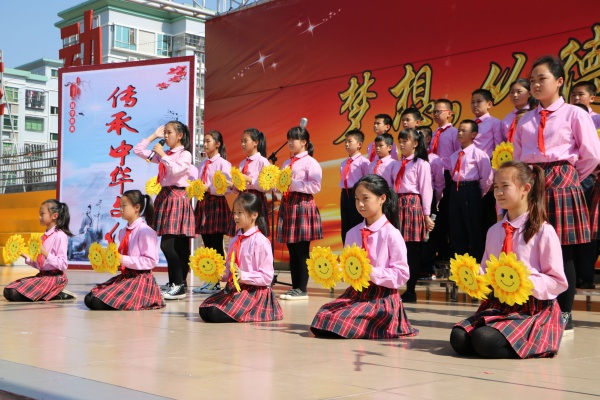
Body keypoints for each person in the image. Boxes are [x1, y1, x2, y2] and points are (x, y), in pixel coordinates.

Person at [514, 55, 600, 333]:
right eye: (533, 80)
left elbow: (591, 155)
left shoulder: (575, 114)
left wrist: (569, 179)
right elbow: (518, 157)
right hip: (531, 183)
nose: (536, 85)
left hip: (563, 181)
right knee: (532, 248)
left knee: (563, 252)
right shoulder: (526, 120)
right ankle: (537, 309)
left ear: (559, 81)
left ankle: (565, 313)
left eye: (542, 78)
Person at [450, 161, 568, 358]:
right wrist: (476, 277)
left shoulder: (543, 231)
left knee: (483, 339)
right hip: (499, 305)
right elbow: (487, 269)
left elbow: (557, 281)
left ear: (525, 189)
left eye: (505, 186)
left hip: (532, 309)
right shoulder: (494, 231)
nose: (498, 192)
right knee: (459, 338)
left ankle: (534, 340)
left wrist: (523, 282)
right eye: (496, 186)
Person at [310, 174, 418, 338]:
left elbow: (402, 274)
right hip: (356, 294)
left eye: (365, 198)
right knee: (323, 315)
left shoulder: (391, 233)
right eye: (357, 199)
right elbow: (350, 273)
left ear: (382, 198)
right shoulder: (352, 233)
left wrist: (369, 271)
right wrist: (337, 271)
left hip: (382, 298)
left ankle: (370, 325)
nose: (360, 204)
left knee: (338, 321)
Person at [133, 121, 195, 300]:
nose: (166, 136)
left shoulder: (184, 154)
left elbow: (176, 170)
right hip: (165, 196)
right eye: (165, 133)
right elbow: (138, 150)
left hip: (177, 197)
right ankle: (176, 283)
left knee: (170, 245)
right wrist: (154, 135)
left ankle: (179, 284)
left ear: (180, 135)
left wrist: (162, 155)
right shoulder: (165, 153)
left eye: (169, 133)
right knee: (175, 245)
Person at [199, 192, 283, 322]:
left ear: (254, 215)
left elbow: (267, 277)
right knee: (204, 309)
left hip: (254, 292)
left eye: (240, 213)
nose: (236, 217)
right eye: (234, 213)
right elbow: (229, 270)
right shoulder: (235, 240)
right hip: (235, 289)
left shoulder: (260, 241)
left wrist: (243, 275)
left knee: (215, 313)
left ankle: (250, 312)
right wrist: (218, 273)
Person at [84, 190, 165, 310]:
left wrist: (122, 259)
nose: (120, 209)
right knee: (88, 299)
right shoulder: (123, 232)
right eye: (120, 206)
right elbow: (121, 258)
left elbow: (151, 261)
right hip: (126, 276)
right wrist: (108, 260)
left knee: (97, 302)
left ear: (137, 207)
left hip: (140, 279)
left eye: (124, 206)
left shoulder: (146, 231)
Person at [277, 126, 323, 300]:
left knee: (302, 250)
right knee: (292, 249)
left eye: (294, 139)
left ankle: (302, 289)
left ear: (304, 142)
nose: (290, 142)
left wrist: (293, 183)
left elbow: (316, 186)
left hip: (302, 205)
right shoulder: (286, 163)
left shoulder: (310, 162)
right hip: (288, 205)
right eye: (288, 139)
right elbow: (282, 184)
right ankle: (295, 287)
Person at [390, 128, 434, 302]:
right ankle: (393, 287)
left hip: (412, 205)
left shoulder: (421, 164)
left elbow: (426, 190)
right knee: (395, 247)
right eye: (400, 141)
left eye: (405, 141)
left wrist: (427, 214)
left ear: (415, 143)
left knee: (412, 250)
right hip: (397, 204)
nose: (401, 144)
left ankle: (411, 290)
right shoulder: (396, 164)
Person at [4, 199, 76, 302]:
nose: (39, 217)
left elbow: (63, 264)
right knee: (8, 290)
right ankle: (50, 293)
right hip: (42, 276)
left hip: (55, 278)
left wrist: (44, 252)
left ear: (54, 216)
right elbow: (40, 265)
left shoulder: (60, 236)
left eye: (42, 214)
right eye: (39, 214)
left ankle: (55, 292)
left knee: (13, 293)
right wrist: (24, 255)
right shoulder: (43, 237)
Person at [449, 120, 494, 263]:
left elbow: (487, 178)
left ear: (473, 134)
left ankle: (477, 262)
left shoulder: (479, 154)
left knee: (473, 227)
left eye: (464, 131)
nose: (460, 133)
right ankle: (460, 264)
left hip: (471, 190)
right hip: (455, 189)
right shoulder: (454, 155)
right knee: (456, 226)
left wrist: (477, 194)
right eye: (459, 130)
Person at [194, 130, 233, 295]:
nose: (205, 144)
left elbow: (228, 188)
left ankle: (217, 281)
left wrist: (209, 188)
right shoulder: (202, 164)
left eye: (208, 141)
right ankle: (210, 280)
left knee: (216, 244)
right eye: (204, 141)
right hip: (204, 203)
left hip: (216, 203)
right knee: (207, 243)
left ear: (217, 144)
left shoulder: (223, 164)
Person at [570, 82, 600, 289]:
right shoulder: (566, 118)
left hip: (590, 179)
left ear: (592, 97)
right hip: (568, 178)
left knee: (589, 229)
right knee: (571, 229)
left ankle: (586, 275)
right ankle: (574, 274)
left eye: (580, 94)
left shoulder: (597, 120)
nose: (576, 98)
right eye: (573, 94)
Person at [429, 99, 460, 262]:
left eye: (439, 111)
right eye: (434, 111)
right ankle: (439, 251)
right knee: (436, 216)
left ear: (449, 113)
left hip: (448, 176)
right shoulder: (433, 134)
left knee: (448, 215)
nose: (436, 114)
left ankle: (450, 252)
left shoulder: (454, 133)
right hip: (433, 176)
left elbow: (458, 155)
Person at [227, 128, 270, 236]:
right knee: (240, 233)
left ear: (255, 142)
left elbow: (267, 187)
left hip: (255, 199)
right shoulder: (242, 163)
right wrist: (233, 185)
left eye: (245, 141)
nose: (242, 144)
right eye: (241, 141)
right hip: (242, 198)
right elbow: (241, 187)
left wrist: (250, 180)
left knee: (255, 232)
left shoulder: (262, 161)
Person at [471, 89, 503, 233]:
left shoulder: (494, 123)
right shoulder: (469, 124)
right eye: (472, 102)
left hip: (488, 166)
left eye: (479, 101)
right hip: (471, 168)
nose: (475, 105)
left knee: (487, 207)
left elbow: (499, 148)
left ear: (489, 104)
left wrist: (494, 175)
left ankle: (489, 239)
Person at [421, 126, 445, 279]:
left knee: (428, 234)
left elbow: (439, 183)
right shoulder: (410, 160)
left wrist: (436, 200)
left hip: (429, 199)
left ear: (428, 139)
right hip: (413, 201)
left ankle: (427, 267)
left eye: (420, 137)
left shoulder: (434, 159)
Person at [339, 129, 370, 244]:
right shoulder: (343, 163)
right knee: (346, 223)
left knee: (357, 221)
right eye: (345, 142)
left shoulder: (364, 162)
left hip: (357, 195)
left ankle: (360, 247)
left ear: (359, 144)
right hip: (345, 194)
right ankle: (347, 248)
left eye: (350, 141)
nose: (346, 144)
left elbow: (367, 181)